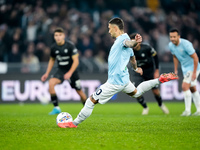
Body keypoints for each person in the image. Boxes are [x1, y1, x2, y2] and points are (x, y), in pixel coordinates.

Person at [58, 18, 178, 128]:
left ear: (115, 28)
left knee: (91, 101)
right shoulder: (123, 40)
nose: (109, 32)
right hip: (125, 79)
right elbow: (132, 58)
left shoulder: (122, 40)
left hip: (115, 81)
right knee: (137, 93)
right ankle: (160, 80)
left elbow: (129, 44)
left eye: (109, 29)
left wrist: (134, 42)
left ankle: (73, 124)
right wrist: (136, 68)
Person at [41, 27, 87, 115]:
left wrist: (69, 73)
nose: (58, 37)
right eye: (56, 35)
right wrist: (46, 73)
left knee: (79, 91)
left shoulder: (70, 46)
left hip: (72, 71)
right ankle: (56, 108)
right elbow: (52, 60)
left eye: (60, 35)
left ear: (64, 36)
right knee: (51, 83)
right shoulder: (53, 47)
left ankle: (87, 108)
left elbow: (76, 61)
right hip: (61, 70)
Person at [129, 33, 169, 115]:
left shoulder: (147, 48)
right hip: (137, 73)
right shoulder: (129, 51)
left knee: (156, 92)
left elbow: (155, 56)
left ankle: (161, 105)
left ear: (139, 42)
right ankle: (145, 107)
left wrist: (157, 70)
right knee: (135, 92)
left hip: (149, 71)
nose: (134, 45)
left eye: (135, 42)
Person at [169, 28, 200, 116]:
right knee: (192, 88)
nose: (172, 39)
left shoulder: (186, 44)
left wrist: (194, 73)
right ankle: (199, 110)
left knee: (184, 86)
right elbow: (175, 57)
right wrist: (175, 70)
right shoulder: (171, 45)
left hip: (194, 67)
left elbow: (195, 57)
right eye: (171, 37)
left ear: (179, 36)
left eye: (174, 37)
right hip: (185, 68)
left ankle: (187, 111)